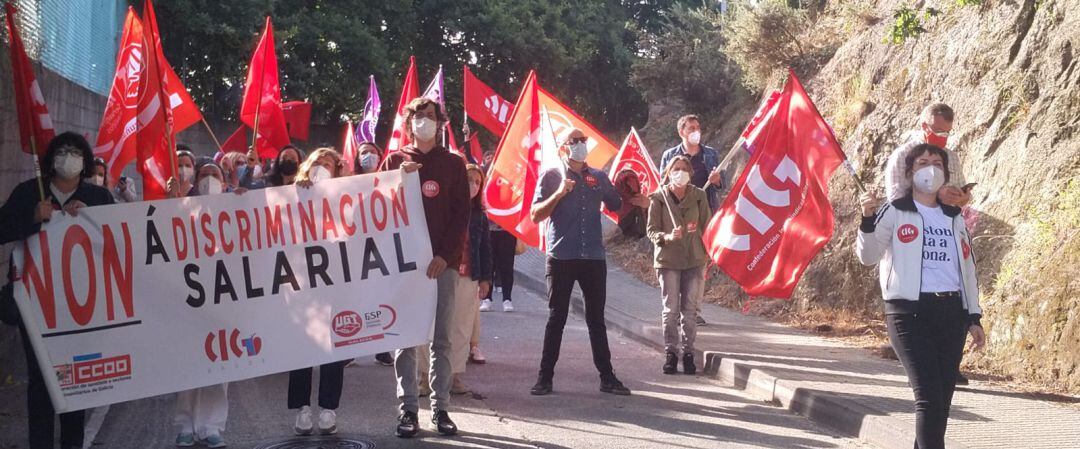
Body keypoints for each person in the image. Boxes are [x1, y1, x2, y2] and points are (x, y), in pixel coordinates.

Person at [857, 144, 986, 449]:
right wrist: (867, 217)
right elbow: (868, 255)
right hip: (909, 313)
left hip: (951, 313)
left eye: (937, 163)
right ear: (909, 172)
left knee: (941, 401)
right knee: (928, 397)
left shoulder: (954, 218)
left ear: (946, 172)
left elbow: (967, 269)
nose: (930, 168)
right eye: (922, 163)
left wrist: (973, 316)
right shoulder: (895, 211)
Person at [0, 132, 115, 449]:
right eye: (63, 151)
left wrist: (89, 219)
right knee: (40, 381)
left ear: (86, 161)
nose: (69, 157)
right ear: (51, 158)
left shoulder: (99, 198)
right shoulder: (28, 194)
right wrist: (32, 217)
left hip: (80, 309)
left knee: (74, 382)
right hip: (35, 305)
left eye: (76, 152)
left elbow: (116, 243)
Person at [381, 97, 471, 438]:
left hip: (441, 265)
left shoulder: (453, 164)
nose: (424, 121)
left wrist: (445, 257)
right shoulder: (394, 160)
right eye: (418, 116)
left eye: (430, 116)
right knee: (404, 339)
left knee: (442, 340)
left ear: (440, 122)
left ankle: (441, 409)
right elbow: (375, 207)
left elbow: (462, 215)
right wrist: (395, 181)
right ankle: (407, 411)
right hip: (404, 266)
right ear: (409, 122)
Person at [528, 127, 631, 397]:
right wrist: (560, 193)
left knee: (596, 319)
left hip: (593, 257)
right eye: (574, 141)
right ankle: (544, 377)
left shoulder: (597, 176)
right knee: (556, 318)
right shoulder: (552, 176)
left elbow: (616, 204)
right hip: (561, 256)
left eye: (583, 140)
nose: (581, 144)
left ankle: (607, 377)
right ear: (563, 147)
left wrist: (625, 188)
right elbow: (536, 215)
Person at [288, 148, 351, 435]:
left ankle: (328, 408)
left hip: (335, 281)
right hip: (300, 282)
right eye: (317, 164)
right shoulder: (291, 195)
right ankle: (302, 408)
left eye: (328, 165)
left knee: (333, 345)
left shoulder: (347, 196)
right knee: (301, 348)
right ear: (306, 168)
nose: (322, 169)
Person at [171, 160, 232, 448]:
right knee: (186, 363)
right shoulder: (182, 204)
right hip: (187, 295)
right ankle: (185, 424)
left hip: (224, 296)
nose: (210, 178)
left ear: (226, 180)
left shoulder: (238, 205)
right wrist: (176, 200)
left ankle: (211, 426)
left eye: (215, 174)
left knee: (220, 365)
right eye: (204, 174)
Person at [647, 156, 710, 375]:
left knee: (690, 310)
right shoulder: (659, 197)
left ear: (691, 173)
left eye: (684, 169)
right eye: (676, 169)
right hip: (668, 260)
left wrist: (708, 252)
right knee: (670, 309)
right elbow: (651, 230)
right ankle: (671, 352)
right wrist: (667, 237)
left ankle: (689, 353)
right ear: (668, 172)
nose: (680, 172)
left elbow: (707, 227)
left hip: (694, 259)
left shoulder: (699, 196)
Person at [659, 114, 721, 327]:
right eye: (691, 127)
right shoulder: (670, 155)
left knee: (698, 265)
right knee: (676, 263)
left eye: (698, 126)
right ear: (681, 132)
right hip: (675, 218)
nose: (696, 131)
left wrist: (717, 180)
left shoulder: (710, 154)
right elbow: (662, 186)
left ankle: (693, 310)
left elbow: (723, 182)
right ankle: (674, 311)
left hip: (702, 217)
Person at [453, 164, 493, 390]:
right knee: (440, 327)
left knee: (461, 329)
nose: (473, 185)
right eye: (469, 179)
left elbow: (486, 249)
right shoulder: (447, 208)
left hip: (470, 277)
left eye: (478, 182)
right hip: (444, 274)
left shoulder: (480, 216)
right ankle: (425, 377)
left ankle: (454, 376)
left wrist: (486, 279)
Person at [884, 103, 971, 206]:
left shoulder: (952, 157)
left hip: (948, 220)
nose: (943, 137)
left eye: (947, 133)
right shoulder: (902, 155)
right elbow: (895, 198)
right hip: (915, 220)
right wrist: (936, 196)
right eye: (939, 132)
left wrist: (964, 198)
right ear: (925, 127)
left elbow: (961, 189)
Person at [610, 167, 650, 239]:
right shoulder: (617, 208)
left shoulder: (648, 205)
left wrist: (650, 205)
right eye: (625, 184)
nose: (630, 185)